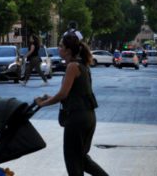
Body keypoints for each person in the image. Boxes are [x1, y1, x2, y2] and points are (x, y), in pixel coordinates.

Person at [34, 33, 108, 176]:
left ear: (68, 50)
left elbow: (63, 94)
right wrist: (49, 98)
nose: (58, 48)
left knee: (72, 159)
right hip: (88, 116)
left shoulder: (72, 66)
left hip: (77, 118)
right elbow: (73, 94)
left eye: (61, 46)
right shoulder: (82, 65)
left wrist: (43, 104)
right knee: (81, 158)